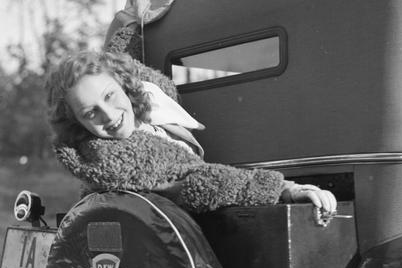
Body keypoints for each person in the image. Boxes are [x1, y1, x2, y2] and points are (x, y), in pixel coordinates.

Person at [46, 50, 337, 214]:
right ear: (77, 124)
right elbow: (201, 182)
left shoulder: (144, 109)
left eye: (109, 96)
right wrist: (283, 189)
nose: (108, 116)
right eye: (90, 113)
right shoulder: (117, 161)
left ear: (122, 82)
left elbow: (130, 65)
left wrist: (131, 18)